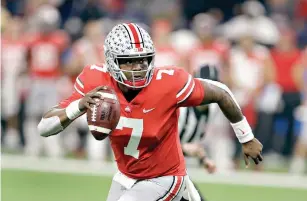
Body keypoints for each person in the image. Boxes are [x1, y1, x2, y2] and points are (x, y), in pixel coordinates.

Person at [38, 23, 263, 201]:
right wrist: (78, 106)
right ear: (111, 61)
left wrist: (246, 136)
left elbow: (221, 92)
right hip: (127, 175)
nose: (138, 67)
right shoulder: (94, 80)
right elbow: (44, 128)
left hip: (165, 178)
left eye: (142, 59)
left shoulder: (168, 82)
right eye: (129, 61)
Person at [179, 65, 218, 201]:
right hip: (154, 170)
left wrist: (203, 158)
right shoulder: (181, 108)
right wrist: (183, 148)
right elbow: (155, 143)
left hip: (174, 172)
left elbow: (193, 144)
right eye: (204, 84)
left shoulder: (211, 111)